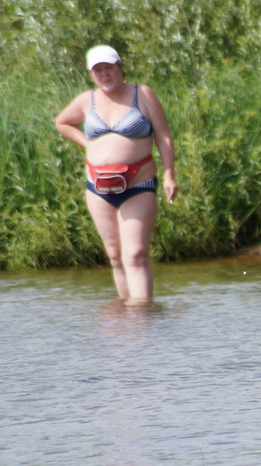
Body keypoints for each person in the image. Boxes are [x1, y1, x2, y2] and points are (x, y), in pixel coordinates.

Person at [56, 45, 177, 303]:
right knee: (115, 256)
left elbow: (164, 137)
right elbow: (62, 122)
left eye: (109, 68)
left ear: (120, 68)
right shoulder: (86, 100)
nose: (104, 74)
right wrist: (87, 144)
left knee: (135, 255)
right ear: (91, 74)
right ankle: (127, 315)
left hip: (138, 184)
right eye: (97, 70)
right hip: (98, 187)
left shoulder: (142, 94)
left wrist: (169, 175)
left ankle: (142, 313)